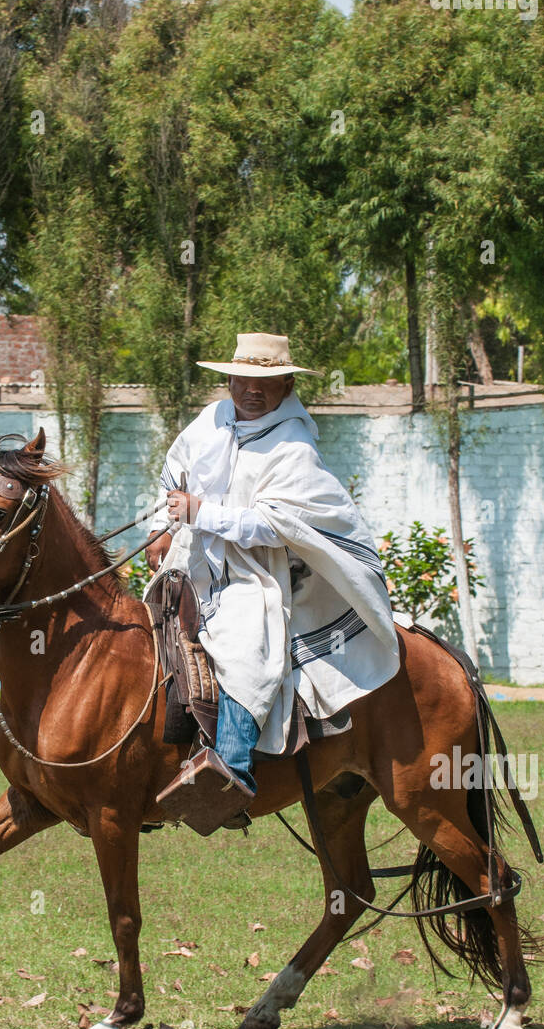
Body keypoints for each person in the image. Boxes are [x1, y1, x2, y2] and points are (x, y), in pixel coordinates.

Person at [146, 333, 400, 834]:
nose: (252, 390)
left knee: (247, 654)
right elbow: (172, 473)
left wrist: (203, 512)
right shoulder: (210, 421)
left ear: (286, 383)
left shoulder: (294, 446)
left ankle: (229, 773)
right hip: (191, 556)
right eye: (243, 379)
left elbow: (272, 526)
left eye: (265, 382)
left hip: (254, 573)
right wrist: (159, 526)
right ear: (229, 380)